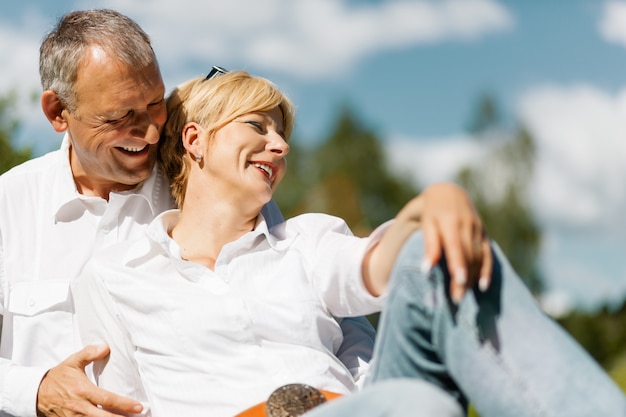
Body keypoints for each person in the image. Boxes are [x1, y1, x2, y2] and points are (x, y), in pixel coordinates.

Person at [0, 9, 484, 417]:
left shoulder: (219, 191)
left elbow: (332, 316)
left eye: (154, 105)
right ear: (58, 112)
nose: (149, 133)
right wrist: (35, 389)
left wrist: (350, 400)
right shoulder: (12, 208)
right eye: (120, 117)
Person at [73, 69, 626, 417]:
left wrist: (431, 207)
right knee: (420, 404)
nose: (280, 145)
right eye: (259, 126)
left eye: (282, 132)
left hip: (360, 405)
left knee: (430, 254)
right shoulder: (118, 276)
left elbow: (377, 266)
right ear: (195, 139)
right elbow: (123, 408)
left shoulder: (305, 241)